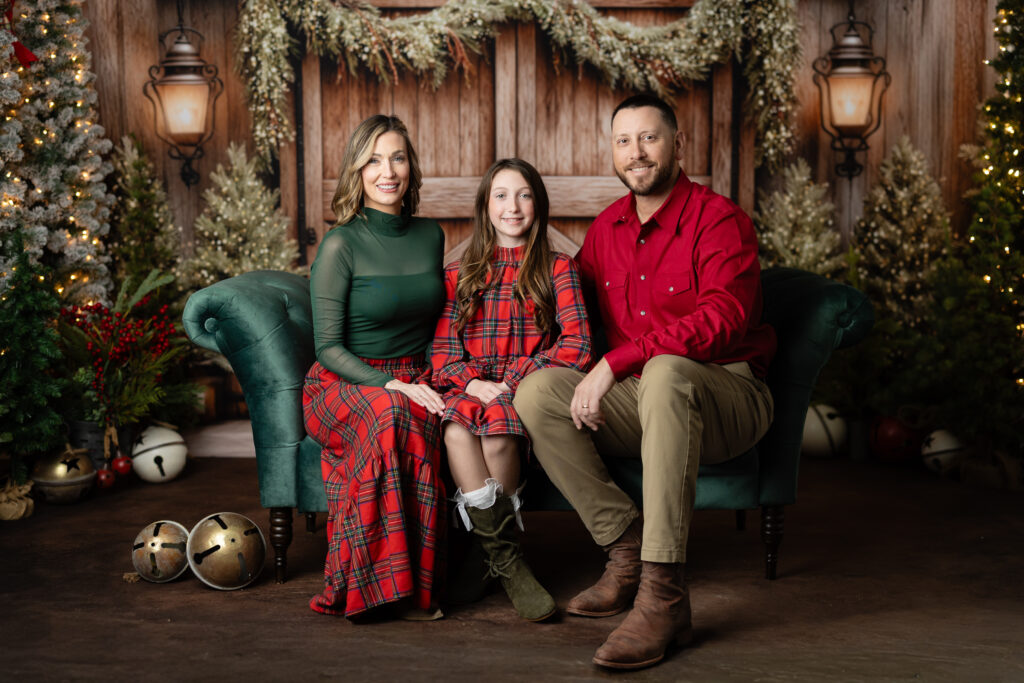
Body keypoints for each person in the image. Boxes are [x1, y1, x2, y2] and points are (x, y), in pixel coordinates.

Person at [513, 94, 776, 669]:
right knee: (537, 393)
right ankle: (624, 547)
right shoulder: (607, 228)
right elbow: (565, 308)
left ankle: (664, 594)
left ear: (678, 144)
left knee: (664, 371)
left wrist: (615, 363)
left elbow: (724, 319)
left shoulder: (720, 220)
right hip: (646, 399)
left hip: (728, 396)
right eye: (624, 140)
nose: (636, 152)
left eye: (650, 137)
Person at [430, 158, 593, 622]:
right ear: (485, 207)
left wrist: (512, 381)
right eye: (500, 195)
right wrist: (473, 382)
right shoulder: (460, 274)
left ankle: (491, 558)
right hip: (472, 385)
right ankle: (505, 559)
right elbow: (442, 350)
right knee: (457, 432)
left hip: (522, 389)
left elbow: (578, 343)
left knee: (499, 433)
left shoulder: (558, 268)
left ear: (538, 205)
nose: (512, 206)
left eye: (523, 195)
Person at [303, 114, 448, 621]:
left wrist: (442, 380)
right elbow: (327, 348)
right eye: (373, 160)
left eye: (398, 157)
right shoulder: (341, 243)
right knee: (389, 415)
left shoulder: (431, 236)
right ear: (357, 171)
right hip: (344, 381)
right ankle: (370, 588)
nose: (387, 171)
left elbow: (437, 328)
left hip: (415, 377)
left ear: (411, 167)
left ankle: (421, 586)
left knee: (421, 416)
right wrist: (391, 385)